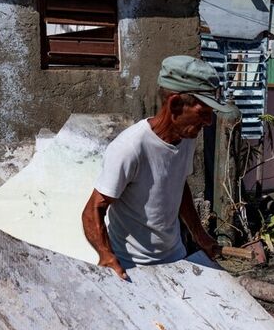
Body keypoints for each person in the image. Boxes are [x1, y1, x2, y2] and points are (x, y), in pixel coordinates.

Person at [82, 55, 239, 280]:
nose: (208, 122)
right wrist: (106, 256)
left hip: (176, 258)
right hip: (133, 268)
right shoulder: (130, 148)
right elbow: (93, 210)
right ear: (175, 104)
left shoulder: (187, 137)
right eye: (203, 113)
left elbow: (178, 185)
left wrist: (199, 234)